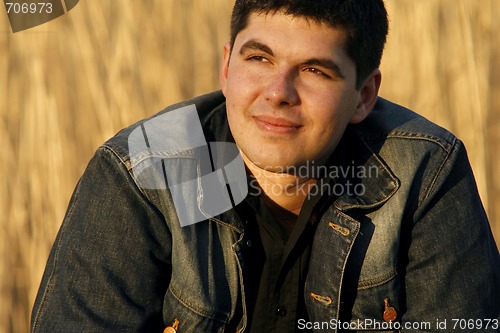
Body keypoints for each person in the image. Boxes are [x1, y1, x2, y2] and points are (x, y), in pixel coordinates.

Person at [31, 0, 499, 332]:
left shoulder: (424, 174)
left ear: (364, 96)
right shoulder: (142, 175)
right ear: (227, 67)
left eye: (315, 70)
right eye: (259, 58)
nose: (278, 91)